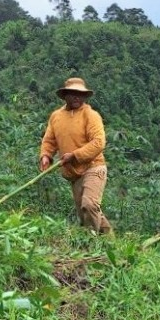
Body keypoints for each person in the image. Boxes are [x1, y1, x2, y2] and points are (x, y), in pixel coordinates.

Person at [39, 77, 112, 234]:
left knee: (89, 205)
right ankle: (111, 243)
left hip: (94, 166)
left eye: (80, 94)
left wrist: (74, 155)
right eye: (72, 94)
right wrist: (46, 156)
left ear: (85, 96)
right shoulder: (56, 116)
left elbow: (99, 142)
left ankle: (92, 243)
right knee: (85, 212)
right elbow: (49, 140)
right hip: (73, 173)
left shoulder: (91, 115)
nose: (76, 97)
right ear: (65, 95)